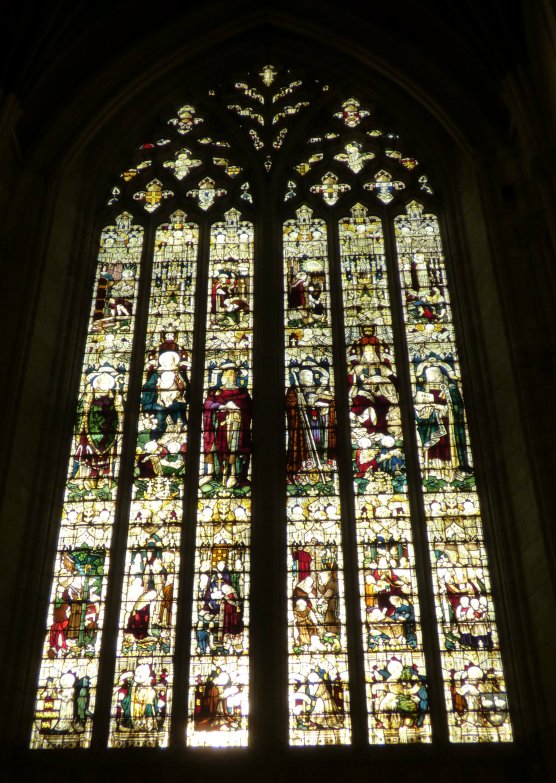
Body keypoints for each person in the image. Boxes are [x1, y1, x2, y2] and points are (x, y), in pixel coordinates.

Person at [200, 362, 252, 488]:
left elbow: (250, 409)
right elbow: (207, 404)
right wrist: (221, 406)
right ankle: (210, 473)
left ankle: (234, 474)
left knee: (234, 448)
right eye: (227, 374)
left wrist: (238, 409)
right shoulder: (215, 392)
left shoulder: (243, 392)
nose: (229, 377)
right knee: (210, 443)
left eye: (232, 374)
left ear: (236, 376)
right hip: (217, 426)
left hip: (237, 426)